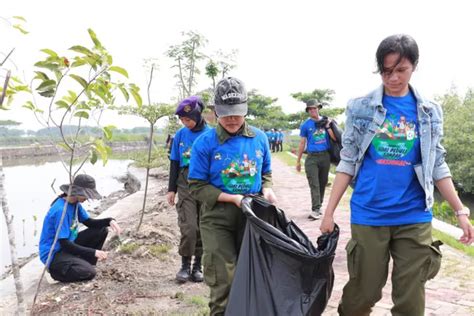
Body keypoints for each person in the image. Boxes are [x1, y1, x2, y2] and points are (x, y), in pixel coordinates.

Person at [320, 34, 474, 315]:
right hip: (370, 213)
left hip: (413, 215)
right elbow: (348, 162)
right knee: (363, 293)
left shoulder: (429, 111)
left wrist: (460, 211)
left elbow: (437, 164)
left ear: (414, 66)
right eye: (386, 71)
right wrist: (328, 213)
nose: (393, 78)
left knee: (411, 300)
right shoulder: (361, 107)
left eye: (400, 70)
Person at [188, 77, 277, 315]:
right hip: (218, 219)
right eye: (226, 114)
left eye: (237, 114)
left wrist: (267, 188)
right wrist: (232, 198)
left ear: (245, 110)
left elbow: (266, 171)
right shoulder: (204, 143)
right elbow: (196, 186)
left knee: (253, 276)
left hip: (252, 217)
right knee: (223, 280)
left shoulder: (259, 138)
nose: (232, 120)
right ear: (215, 112)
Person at [39, 174, 122, 282]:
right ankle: (55, 272)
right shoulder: (60, 210)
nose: (87, 198)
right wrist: (94, 252)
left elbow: (89, 222)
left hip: (68, 244)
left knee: (101, 230)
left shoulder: (75, 203)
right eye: (86, 195)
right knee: (89, 273)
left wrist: (109, 221)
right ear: (78, 192)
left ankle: (82, 263)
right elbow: (64, 244)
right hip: (55, 253)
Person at [167, 95, 210, 283]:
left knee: (202, 227)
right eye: (183, 120)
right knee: (189, 227)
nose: (186, 123)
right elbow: (175, 163)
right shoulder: (180, 135)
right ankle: (184, 265)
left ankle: (197, 267)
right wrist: (171, 190)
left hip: (206, 182)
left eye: (189, 119)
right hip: (185, 182)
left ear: (198, 116)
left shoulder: (211, 134)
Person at [296, 99, 337, 220]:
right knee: (314, 184)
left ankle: (319, 206)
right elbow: (302, 143)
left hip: (325, 156)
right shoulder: (305, 125)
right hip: (312, 158)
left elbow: (334, 138)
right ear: (308, 111)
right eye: (310, 109)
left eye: (315, 108)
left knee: (322, 183)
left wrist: (328, 126)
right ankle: (316, 209)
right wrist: (298, 161)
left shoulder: (326, 121)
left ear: (318, 108)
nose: (313, 110)